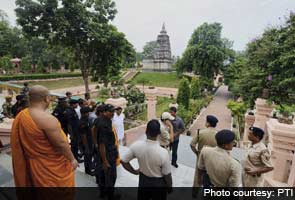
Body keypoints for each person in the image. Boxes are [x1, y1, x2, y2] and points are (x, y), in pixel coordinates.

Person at [10, 85, 77, 187]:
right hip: (50, 169)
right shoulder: (47, 119)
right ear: (46, 98)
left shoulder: (21, 115)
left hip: (33, 165)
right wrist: (72, 159)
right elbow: (60, 144)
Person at [121, 119, 172, 200]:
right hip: (158, 184)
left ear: (146, 131)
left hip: (143, 181)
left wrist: (134, 171)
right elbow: (167, 175)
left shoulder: (136, 146)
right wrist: (170, 187)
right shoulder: (163, 153)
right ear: (159, 133)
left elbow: (123, 161)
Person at [97, 104, 120, 200]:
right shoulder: (104, 125)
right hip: (108, 155)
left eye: (113, 111)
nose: (113, 113)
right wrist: (105, 161)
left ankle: (103, 193)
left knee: (103, 175)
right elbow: (102, 144)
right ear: (104, 112)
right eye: (111, 112)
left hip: (109, 152)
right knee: (111, 176)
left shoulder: (104, 120)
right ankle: (111, 196)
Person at [190, 115, 218, 192]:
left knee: (198, 174)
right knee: (209, 175)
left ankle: (195, 192)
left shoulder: (200, 132)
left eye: (206, 121)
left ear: (208, 123)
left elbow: (192, 145)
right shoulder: (218, 134)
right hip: (212, 158)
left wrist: (196, 152)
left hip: (201, 157)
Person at [79, 106, 95, 176]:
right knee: (87, 155)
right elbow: (83, 135)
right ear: (83, 113)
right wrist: (86, 147)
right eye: (87, 113)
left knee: (90, 155)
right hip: (86, 142)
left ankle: (90, 167)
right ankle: (88, 170)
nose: (88, 114)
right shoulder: (82, 122)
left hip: (90, 141)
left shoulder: (86, 120)